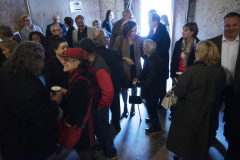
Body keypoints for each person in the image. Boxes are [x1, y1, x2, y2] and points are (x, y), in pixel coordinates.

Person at [0, 42, 63, 159]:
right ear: (34, 63)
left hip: (9, 137)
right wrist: (55, 102)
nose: (43, 65)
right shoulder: (30, 88)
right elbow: (44, 119)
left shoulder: (4, 73)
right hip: (30, 146)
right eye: (42, 61)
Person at [166, 40, 226, 159]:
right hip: (210, 110)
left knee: (187, 136)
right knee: (203, 136)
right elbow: (221, 89)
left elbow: (179, 92)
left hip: (190, 110)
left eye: (196, 51)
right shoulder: (220, 71)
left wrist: (177, 86)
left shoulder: (192, 71)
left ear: (200, 53)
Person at [78, 38, 117, 159]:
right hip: (98, 102)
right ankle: (105, 145)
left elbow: (109, 91)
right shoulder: (92, 61)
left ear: (85, 51)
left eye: (80, 50)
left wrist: (101, 105)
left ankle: (111, 153)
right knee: (100, 127)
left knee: (103, 128)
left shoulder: (99, 66)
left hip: (101, 104)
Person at [58, 48, 96, 160]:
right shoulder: (80, 74)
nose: (63, 62)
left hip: (80, 122)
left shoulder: (80, 81)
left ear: (77, 63)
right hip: (85, 119)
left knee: (83, 151)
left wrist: (58, 100)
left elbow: (72, 108)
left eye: (67, 60)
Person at [209, 12, 240, 140]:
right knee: (213, 113)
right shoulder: (212, 43)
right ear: (222, 26)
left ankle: (229, 137)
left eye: (235, 25)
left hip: (236, 89)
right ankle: (211, 136)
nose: (231, 28)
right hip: (217, 87)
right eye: (227, 25)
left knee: (232, 116)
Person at [93, 30, 124, 130]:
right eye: (106, 38)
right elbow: (120, 69)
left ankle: (103, 126)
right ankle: (115, 123)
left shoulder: (92, 56)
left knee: (102, 108)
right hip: (113, 84)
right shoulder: (113, 54)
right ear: (104, 41)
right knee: (115, 105)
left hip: (98, 86)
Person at [113, 20, 144, 117]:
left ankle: (133, 106)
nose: (135, 33)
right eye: (132, 31)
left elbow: (144, 54)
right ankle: (125, 106)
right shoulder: (120, 39)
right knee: (125, 88)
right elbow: (114, 55)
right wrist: (125, 58)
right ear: (127, 31)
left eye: (136, 30)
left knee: (134, 87)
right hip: (124, 69)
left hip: (136, 68)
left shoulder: (139, 39)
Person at [132, 39, 163, 133]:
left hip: (152, 90)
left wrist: (137, 83)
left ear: (145, 50)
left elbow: (149, 81)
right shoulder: (154, 57)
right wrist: (138, 78)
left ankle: (155, 126)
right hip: (156, 88)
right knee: (152, 107)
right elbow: (146, 74)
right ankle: (154, 120)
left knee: (151, 107)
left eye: (143, 48)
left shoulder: (151, 62)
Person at [170, 22, 199, 118]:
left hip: (189, 75)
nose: (183, 32)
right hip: (177, 73)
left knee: (186, 97)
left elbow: (196, 63)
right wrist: (173, 75)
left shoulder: (197, 44)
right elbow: (173, 59)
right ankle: (174, 112)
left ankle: (185, 115)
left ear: (192, 32)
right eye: (183, 30)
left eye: (186, 30)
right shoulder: (179, 43)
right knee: (175, 95)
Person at [147, 12, 170, 108]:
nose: (148, 23)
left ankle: (161, 104)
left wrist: (151, 54)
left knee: (160, 84)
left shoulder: (163, 32)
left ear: (156, 21)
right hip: (153, 63)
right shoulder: (152, 30)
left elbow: (164, 49)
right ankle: (154, 102)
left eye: (150, 21)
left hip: (160, 63)